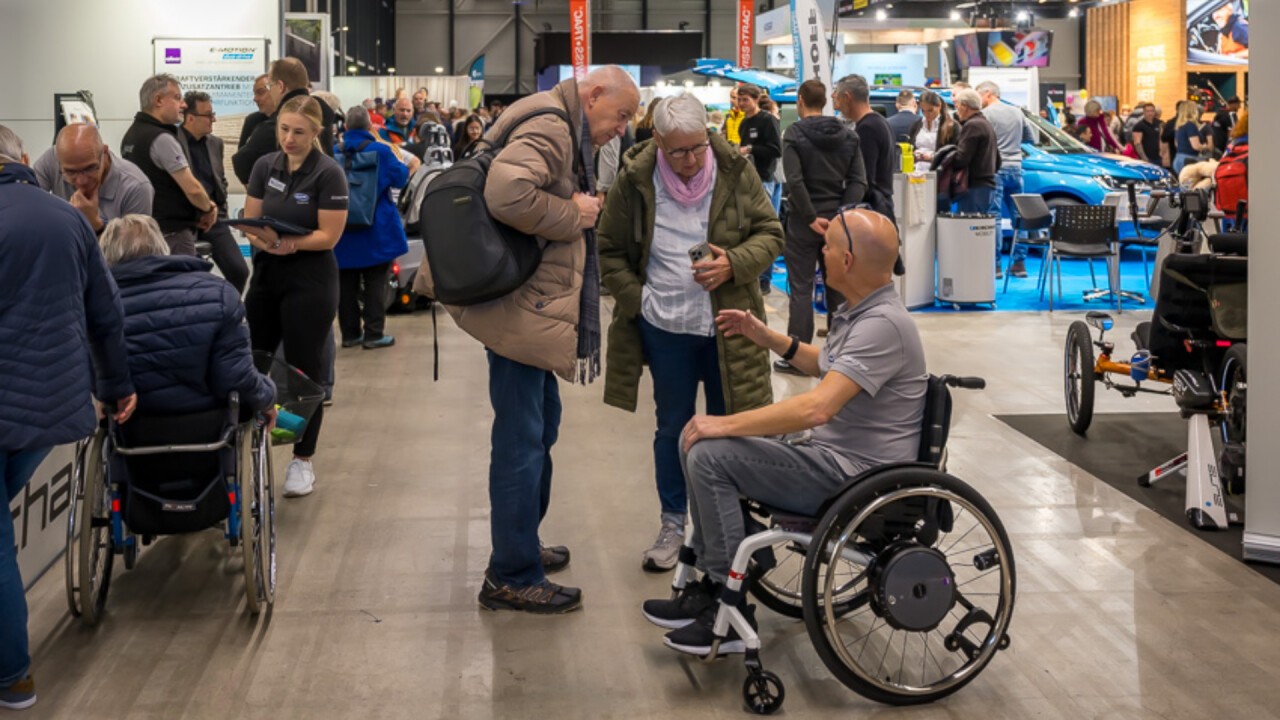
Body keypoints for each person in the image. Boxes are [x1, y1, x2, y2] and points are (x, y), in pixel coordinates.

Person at [640, 208, 927, 654]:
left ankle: (725, 601)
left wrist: (724, 423)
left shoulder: (881, 325)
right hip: (834, 459)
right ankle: (725, 568)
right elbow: (825, 366)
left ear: (847, 261)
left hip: (852, 476)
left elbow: (817, 408)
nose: (821, 253)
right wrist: (767, 336)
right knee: (695, 437)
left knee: (708, 451)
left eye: (828, 246)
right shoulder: (862, 311)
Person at [427, 66, 638, 614]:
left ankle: (522, 546)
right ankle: (511, 574)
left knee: (538, 428)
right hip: (519, 307)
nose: (622, 128)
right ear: (593, 96)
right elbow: (508, 193)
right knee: (522, 441)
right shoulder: (554, 127)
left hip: (523, 300)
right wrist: (575, 214)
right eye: (620, 115)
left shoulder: (554, 116)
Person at [597, 92, 783, 572]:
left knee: (732, 429)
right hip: (666, 327)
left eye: (697, 147)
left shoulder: (736, 173)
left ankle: (729, 531)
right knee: (673, 429)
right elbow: (609, 250)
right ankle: (673, 523)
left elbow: (771, 233)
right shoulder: (635, 181)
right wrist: (640, 301)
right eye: (677, 150)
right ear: (656, 140)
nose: (688, 160)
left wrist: (733, 264)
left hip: (729, 325)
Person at [0, 124, 137, 711]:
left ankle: (13, 676)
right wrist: (115, 385)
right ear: (26, 159)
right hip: (51, 407)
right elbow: (104, 313)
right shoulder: (65, 220)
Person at [238, 95, 349, 499]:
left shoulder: (328, 173)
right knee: (250, 360)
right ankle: (243, 445)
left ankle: (302, 459)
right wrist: (258, 238)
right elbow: (251, 219)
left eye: (298, 132)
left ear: (315, 133)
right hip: (267, 276)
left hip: (311, 279)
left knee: (304, 370)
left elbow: (329, 236)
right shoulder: (264, 166)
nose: (288, 138)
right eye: (284, 129)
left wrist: (290, 244)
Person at [100, 214, 276, 418]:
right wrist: (268, 397)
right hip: (208, 428)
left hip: (128, 428)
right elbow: (236, 377)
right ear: (162, 246)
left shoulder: (96, 305)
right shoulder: (220, 295)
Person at [778, 78, 867, 370]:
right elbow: (858, 181)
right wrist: (842, 214)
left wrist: (809, 216)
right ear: (826, 101)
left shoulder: (793, 133)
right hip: (838, 225)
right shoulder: (849, 135)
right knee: (838, 290)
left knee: (801, 289)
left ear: (800, 100)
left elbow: (794, 180)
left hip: (804, 224)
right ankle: (840, 356)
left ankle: (800, 359)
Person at [334, 106, 409, 350]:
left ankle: (349, 334)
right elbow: (401, 177)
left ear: (345, 127)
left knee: (345, 285)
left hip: (342, 231)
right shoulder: (381, 151)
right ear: (369, 127)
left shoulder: (333, 153)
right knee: (376, 283)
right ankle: (374, 334)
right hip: (377, 230)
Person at [121, 74, 219, 256]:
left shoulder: (130, 136)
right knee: (182, 283)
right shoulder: (162, 139)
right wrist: (209, 208)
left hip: (143, 233)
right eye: (177, 98)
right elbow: (193, 189)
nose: (183, 105)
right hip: (172, 235)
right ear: (158, 100)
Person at [177, 91, 249, 293]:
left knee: (239, 270)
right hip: (184, 221)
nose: (214, 119)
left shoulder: (215, 143)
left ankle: (226, 309)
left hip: (214, 218)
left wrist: (219, 208)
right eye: (208, 115)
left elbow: (220, 180)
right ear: (190, 117)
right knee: (188, 278)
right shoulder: (172, 142)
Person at [31, 124, 154, 235]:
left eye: (90, 168)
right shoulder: (51, 160)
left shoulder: (136, 188)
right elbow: (29, 210)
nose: (81, 181)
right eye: (70, 172)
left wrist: (95, 225)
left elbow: (134, 256)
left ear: (104, 153)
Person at [233, 58, 337, 184]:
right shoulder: (323, 110)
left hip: (287, 196)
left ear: (280, 86)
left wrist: (262, 193)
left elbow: (241, 162)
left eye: (270, 86)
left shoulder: (275, 123)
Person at [976, 80, 1033, 278]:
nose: (978, 100)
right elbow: (1030, 138)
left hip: (996, 168)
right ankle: (1019, 264)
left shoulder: (985, 115)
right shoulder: (1017, 111)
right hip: (1016, 169)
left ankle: (996, 266)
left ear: (989, 93)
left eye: (979, 95)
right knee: (1020, 217)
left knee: (995, 218)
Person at [833, 74, 895, 217]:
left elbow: (864, 180)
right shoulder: (880, 122)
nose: (838, 106)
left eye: (838, 98)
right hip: (882, 207)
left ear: (847, 97)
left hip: (872, 211)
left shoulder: (867, 129)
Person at [950, 89, 999, 216]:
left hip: (973, 188)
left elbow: (961, 158)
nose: (957, 110)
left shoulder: (972, 126)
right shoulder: (986, 124)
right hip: (987, 187)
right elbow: (998, 160)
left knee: (969, 230)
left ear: (965, 106)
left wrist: (943, 158)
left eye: (958, 106)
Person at [908, 90, 957, 172]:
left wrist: (932, 157)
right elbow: (910, 146)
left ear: (939, 106)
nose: (927, 114)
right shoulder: (916, 125)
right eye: (923, 111)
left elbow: (954, 154)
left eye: (930, 110)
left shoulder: (952, 126)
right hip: (916, 172)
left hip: (939, 173)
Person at [240, 73, 276, 147]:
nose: (255, 99)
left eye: (260, 92)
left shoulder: (288, 119)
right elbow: (241, 156)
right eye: (255, 94)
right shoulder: (252, 121)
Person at [1173, 101, 1207, 174]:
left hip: (1178, 158)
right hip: (1189, 160)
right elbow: (1196, 146)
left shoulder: (1178, 126)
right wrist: (1205, 146)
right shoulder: (1190, 125)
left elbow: (1176, 144)